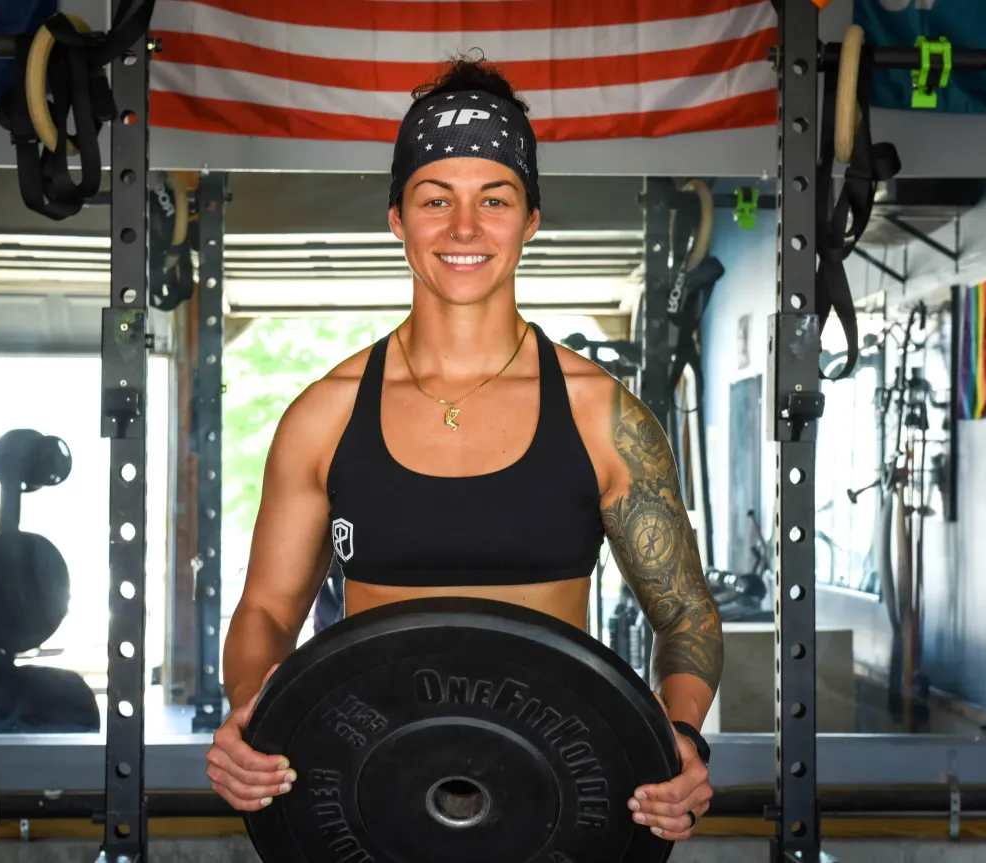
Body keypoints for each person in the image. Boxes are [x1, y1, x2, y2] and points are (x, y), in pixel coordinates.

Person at [206, 55, 723, 844]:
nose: (464, 229)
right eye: (436, 198)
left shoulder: (602, 415)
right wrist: (250, 711)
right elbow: (267, 610)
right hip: (365, 794)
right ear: (397, 217)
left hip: (560, 795)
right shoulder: (324, 415)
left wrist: (680, 733)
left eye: (495, 199)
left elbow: (685, 612)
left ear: (531, 219)